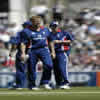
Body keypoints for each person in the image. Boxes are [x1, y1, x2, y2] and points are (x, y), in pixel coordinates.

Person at [23, 16, 53, 90]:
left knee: (49, 65)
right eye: (36, 22)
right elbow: (23, 43)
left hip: (44, 49)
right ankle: (32, 85)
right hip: (32, 50)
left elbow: (51, 41)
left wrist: (53, 51)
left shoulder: (46, 30)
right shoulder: (27, 31)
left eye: (39, 22)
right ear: (32, 22)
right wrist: (23, 53)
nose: (38, 24)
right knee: (31, 68)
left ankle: (45, 82)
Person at [48, 21, 74, 89]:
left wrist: (60, 42)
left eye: (55, 26)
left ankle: (66, 82)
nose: (55, 28)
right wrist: (52, 52)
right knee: (56, 69)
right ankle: (58, 83)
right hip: (54, 53)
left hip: (62, 52)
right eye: (53, 26)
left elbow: (70, 41)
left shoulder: (64, 33)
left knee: (62, 68)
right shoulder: (49, 35)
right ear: (51, 27)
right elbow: (50, 43)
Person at [9, 21, 32, 89]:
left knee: (20, 69)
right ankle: (32, 85)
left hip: (22, 52)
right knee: (32, 70)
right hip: (34, 52)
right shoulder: (34, 32)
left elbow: (15, 43)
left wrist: (12, 51)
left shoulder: (20, 32)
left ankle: (19, 85)